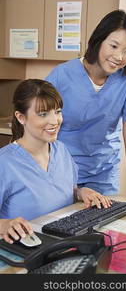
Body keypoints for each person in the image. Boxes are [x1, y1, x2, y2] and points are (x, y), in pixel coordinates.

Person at [45, 9, 126, 202]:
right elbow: (39, 127)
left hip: (104, 173)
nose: (119, 57)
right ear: (99, 40)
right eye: (113, 46)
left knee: (103, 229)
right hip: (62, 172)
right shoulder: (61, 76)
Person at [0, 79, 111, 244]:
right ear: (21, 117)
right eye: (43, 114)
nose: (54, 121)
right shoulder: (5, 162)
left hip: (62, 243)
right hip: (26, 250)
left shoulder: (60, 150)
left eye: (57, 111)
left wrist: (80, 192)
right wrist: (4, 225)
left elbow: (58, 190)